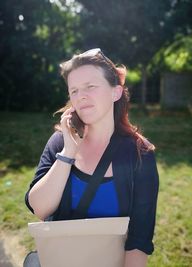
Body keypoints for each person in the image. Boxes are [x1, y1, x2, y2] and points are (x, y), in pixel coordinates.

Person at [25, 48, 159, 267]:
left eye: (91, 86)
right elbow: (40, 208)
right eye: (74, 90)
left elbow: (139, 240)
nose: (81, 96)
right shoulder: (59, 142)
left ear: (115, 92)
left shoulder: (139, 154)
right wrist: (68, 153)